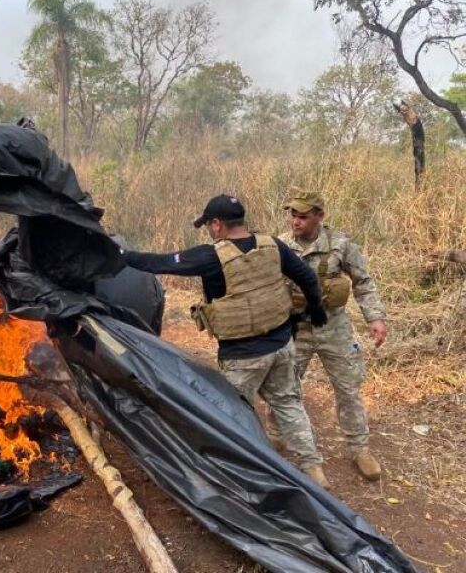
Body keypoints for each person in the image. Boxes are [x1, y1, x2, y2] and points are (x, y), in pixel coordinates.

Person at [122, 194, 332, 489]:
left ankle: (240, 476)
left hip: (244, 355)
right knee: (289, 404)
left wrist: (121, 255)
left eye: (208, 225)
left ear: (218, 224)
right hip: (282, 346)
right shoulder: (273, 245)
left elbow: (159, 263)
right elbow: (308, 278)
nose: (209, 231)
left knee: (229, 416)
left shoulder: (212, 256)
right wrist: (315, 310)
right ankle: (313, 468)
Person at [278, 188, 387, 481]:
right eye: (292, 216)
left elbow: (363, 281)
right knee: (285, 390)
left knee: (349, 389)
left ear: (319, 216)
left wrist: (374, 318)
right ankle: (275, 440)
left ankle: (359, 449)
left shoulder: (340, 245)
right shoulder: (280, 246)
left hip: (333, 329)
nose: (295, 222)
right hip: (296, 329)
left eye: (302, 217)